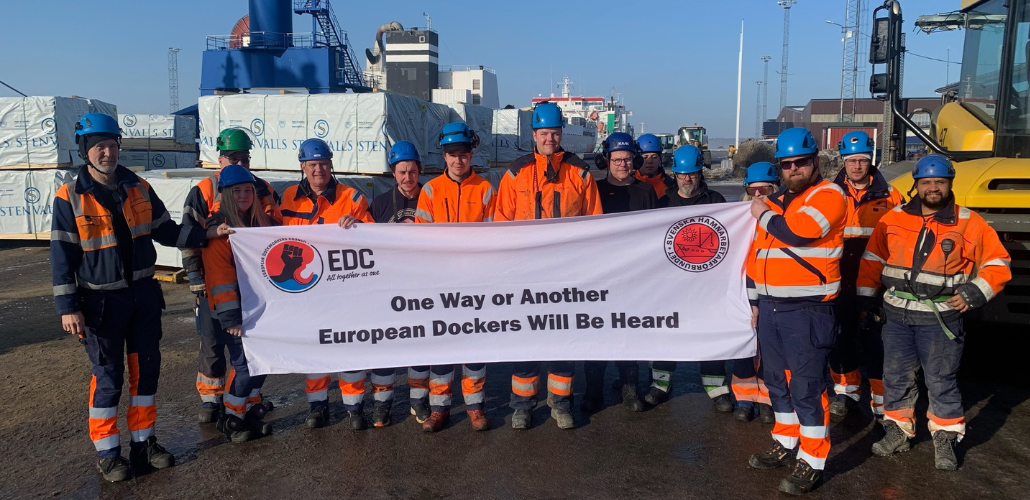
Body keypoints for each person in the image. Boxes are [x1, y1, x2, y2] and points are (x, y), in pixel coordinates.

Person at [51, 113, 232, 482]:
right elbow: (61, 256)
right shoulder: (69, 196)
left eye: (113, 145)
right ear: (86, 150)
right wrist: (68, 307)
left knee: (146, 371)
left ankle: (143, 441)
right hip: (100, 303)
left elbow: (165, 230)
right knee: (109, 376)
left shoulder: (137, 186)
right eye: (100, 146)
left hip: (143, 297)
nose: (108, 152)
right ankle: (108, 453)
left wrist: (207, 235)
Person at [859, 154, 1011, 471]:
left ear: (949, 184)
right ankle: (898, 432)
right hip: (897, 316)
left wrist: (973, 292)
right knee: (895, 378)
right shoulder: (894, 218)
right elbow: (873, 258)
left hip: (940, 319)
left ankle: (945, 437)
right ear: (916, 185)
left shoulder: (970, 222)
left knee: (941, 381)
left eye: (939, 182)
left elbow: (998, 264)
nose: (932, 188)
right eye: (926, 182)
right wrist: (865, 298)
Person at [745, 127, 846, 495]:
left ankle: (813, 459)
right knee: (776, 380)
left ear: (814, 161)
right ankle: (786, 441)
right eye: (786, 165)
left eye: (800, 163)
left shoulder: (829, 195)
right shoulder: (777, 203)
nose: (793, 170)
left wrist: (761, 213)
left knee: (806, 387)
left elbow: (801, 232)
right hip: (772, 308)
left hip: (807, 310)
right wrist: (755, 302)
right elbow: (757, 257)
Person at [494, 101, 603, 430]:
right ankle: (522, 405)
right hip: (526, 274)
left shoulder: (580, 173)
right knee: (525, 338)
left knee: (562, 337)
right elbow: (502, 223)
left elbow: (594, 224)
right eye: (544, 134)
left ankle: (560, 402)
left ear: (561, 134)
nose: (549, 139)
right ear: (534, 135)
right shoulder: (516, 173)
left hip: (567, 273)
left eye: (554, 133)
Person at [278, 139, 388, 431]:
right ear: (302, 167)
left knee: (349, 347)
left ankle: (354, 408)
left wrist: (358, 226)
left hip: (343, 290)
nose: (319, 170)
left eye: (324, 164)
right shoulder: (288, 197)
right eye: (312, 165)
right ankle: (318, 406)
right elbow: (272, 237)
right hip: (307, 290)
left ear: (331, 165)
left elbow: (372, 241)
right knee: (315, 350)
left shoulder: (352, 197)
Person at [182, 128, 282, 424]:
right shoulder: (204, 190)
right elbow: (189, 235)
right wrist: (197, 281)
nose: (239, 163)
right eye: (232, 157)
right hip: (213, 283)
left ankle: (248, 398)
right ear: (220, 157)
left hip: (254, 286)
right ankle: (211, 399)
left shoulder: (261, 188)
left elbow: (277, 226)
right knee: (212, 343)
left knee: (251, 347)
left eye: (244, 158)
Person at [408, 122, 496, 432]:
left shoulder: (485, 189)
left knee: (473, 346)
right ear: (444, 157)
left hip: (475, 282)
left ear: (472, 155)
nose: (458, 160)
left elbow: (494, 237)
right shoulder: (431, 190)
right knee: (442, 348)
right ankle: (439, 409)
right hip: (441, 283)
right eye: (453, 155)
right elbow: (421, 237)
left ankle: (475, 407)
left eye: (464, 154)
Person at [644, 144, 733, 414]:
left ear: (700, 173)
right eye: (682, 174)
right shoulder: (663, 203)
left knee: (711, 333)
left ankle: (716, 387)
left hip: (707, 284)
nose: (687, 179)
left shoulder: (716, 202)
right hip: (671, 284)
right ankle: (660, 384)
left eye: (692, 173)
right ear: (675, 173)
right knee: (666, 333)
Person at [827, 131, 904, 421]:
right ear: (842, 160)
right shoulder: (828, 194)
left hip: (878, 283)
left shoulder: (891, 195)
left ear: (871, 159)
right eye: (852, 160)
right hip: (838, 278)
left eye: (863, 160)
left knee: (878, 342)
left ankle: (882, 402)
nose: (857, 166)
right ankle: (846, 394)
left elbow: (902, 238)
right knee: (841, 339)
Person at [581, 132, 658, 414]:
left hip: (634, 277)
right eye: (617, 159)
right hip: (599, 277)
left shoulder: (645, 191)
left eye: (627, 159)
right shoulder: (595, 190)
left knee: (629, 333)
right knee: (597, 336)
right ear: (607, 160)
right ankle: (593, 390)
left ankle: (629, 388)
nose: (623, 165)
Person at [202, 165, 278, 443]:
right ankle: (231, 418)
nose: (244, 196)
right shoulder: (219, 229)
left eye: (248, 190)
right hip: (233, 313)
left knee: (263, 362)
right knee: (245, 365)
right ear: (225, 194)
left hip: (261, 309)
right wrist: (231, 317)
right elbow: (220, 276)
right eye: (237, 191)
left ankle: (245, 415)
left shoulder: (262, 226)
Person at [731, 162, 778, 424]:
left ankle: (769, 400)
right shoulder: (739, 220)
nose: (758, 196)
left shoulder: (780, 219)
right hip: (743, 294)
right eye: (753, 191)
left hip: (771, 294)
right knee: (744, 351)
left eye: (764, 190)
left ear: (775, 189)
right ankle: (745, 399)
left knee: (771, 353)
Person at [371, 141, 423, 223]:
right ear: (393, 173)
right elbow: (366, 232)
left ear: (419, 170)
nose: (408, 178)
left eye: (412, 172)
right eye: (402, 172)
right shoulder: (380, 204)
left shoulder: (431, 200)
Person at [633, 133, 676, 205]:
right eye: (645, 157)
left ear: (660, 158)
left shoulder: (670, 186)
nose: (650, 161)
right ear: (637, 159)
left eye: (654, 157)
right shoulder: (628, 183)